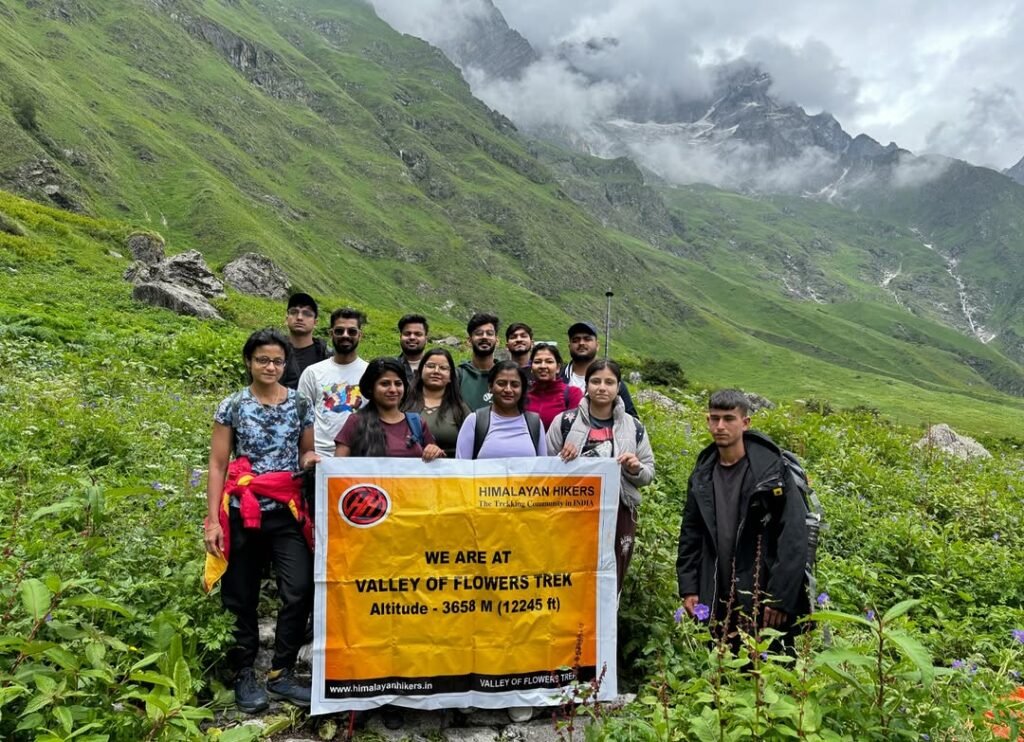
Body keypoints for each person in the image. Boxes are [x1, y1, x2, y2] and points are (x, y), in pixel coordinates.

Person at [203, 329, 321, 713]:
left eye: (277, 361)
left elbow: (306, 452)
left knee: (299, 587)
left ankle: (282, 671)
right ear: (249, 362)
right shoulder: (232, 405)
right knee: (240, 594)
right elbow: (219, 463)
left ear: (286, 365)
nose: (270, 367)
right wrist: (213, 520)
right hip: (243, 509)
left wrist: (311, 462)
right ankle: (244, 672)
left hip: (287, 509)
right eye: (262, 360)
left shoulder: (300, 404)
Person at [675, 389, 810, 643]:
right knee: (719, 667)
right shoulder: (703, 474)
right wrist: (689, 587)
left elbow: (792, 536)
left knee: (769, 669)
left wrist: (780, 597)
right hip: (715, 590)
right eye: (714, 418)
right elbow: (690, 534)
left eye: (729, 418)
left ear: (745, 423)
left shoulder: (771, 473)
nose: (720, 426)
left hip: (763, 594)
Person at [548, 359, 654, 594]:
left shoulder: (633, 426)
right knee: (570, 573)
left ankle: (606, 627)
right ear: (586, 385)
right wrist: (562, 459)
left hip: (619, 511)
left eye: (609, 382)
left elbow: (648, 473)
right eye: (595, 381)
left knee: (612, 575)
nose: (602, 388)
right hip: (572, 513)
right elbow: (544, 471)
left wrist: (635, 468)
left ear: (619, 387)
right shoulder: (564, 422)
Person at [334, 358, 444, 461]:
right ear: (371, 388)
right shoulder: (356, 422)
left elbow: (436, 465)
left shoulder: (416, 422)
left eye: (398, 384)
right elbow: (337, 468)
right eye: (385, 384)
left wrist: (434, 451)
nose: (393, 389)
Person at [297, 308, 369, 457]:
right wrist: (306, 454)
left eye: (352, 331)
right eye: (339, 331)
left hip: (360, 456)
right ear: (331, 334)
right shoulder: (312, 372)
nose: (345, 335)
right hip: (320, 456)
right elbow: (301, 418)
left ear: (360, 335)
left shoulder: (370, 373)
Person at [456, 360, 547, 459]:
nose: (508, 389)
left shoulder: (534, 423)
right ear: (490, 387)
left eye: (515, 385)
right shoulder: (474, 421)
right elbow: (461, 468)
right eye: (501, 383)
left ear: (522, 389)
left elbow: (542, 468)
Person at [561, 321, 638, 417]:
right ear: (569, 346)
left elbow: (632, 419)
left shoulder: (612, 380)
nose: (581, 343)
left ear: (597, 345)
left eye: (587, 339)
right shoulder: (558, 377)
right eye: (575, 340)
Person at [404, 348, 470, 458]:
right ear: (420, 371)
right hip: (407, 471)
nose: (436, 371)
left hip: (449, 471)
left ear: (450, 376)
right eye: (430, 366)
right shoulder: (403, 404)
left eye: (443, 368)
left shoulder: (460, 409)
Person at [525, 343, 583, 429]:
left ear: (558, 368)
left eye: (549, 361)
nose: (543, 366)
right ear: (531, 368)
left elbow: (576, 429)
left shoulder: (573, 394)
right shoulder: (524, 397)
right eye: (537, 362)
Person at [280, 293, 330, 390]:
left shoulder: (326, 355)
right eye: (294, 312)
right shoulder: (274, 350)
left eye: (307, 314)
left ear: (315, 322)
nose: (299, 317)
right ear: (286, 319)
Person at [457, 312, 499, 411]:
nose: (484, 337)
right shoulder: (458, 375)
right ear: (469, 341)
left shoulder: (505, 374)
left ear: (497, 341)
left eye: (490, 333)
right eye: (479, 333)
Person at [395, 314, 429, 386]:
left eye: (418, 334)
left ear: (426, 338)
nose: (412, 337)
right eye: (407, 334)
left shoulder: (437, 368)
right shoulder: (391, 366)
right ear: (400, 337)